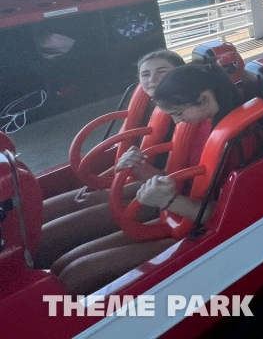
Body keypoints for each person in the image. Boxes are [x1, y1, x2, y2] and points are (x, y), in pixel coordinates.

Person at [45, 63, 244, 294]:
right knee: (64, 266)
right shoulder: (199, 122)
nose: (176, 122)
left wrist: (169, 201)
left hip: (200, 228)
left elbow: (226, 216)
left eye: (179, 113)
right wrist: (142, 170)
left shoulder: (238, 142)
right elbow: (180, 178)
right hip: (176, 211)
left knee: (79, 274)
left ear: (205, 99)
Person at [36, 50, 186, 266]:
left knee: (54, 241)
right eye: (145, 74)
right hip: (137, 178)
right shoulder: (147, 105)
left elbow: (179, 178)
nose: (152, 79)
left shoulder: (186, 114)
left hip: (156, 190)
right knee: (45, 212)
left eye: (161, 72)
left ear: (180, 75)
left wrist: (139, 173)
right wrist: (113, 175)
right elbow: (126, 148)